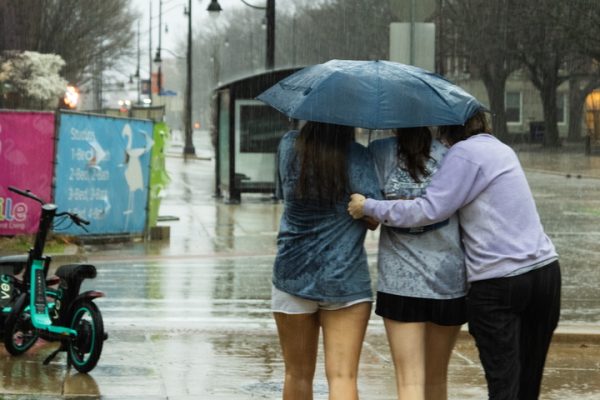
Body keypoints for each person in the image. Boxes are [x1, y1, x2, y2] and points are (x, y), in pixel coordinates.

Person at [347, 111, 561, 400]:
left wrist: (370, 206)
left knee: (504, 383)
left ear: (448, 129)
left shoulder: (461, 153)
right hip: (545, 272)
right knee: (527, 381)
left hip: (498, 282)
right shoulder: (501, 149)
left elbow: (429, 210)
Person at [272, 121, 382, 400]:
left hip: (292, 273)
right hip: (344, 278)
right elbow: (373, 217)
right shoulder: (356, 154)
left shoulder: (288, 145)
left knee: (296, 375)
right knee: (343, 377)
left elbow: (283, 194)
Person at [368, 126, 467, 400]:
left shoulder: (379, 152)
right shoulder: (453, 155)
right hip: (448, 282)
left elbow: (371, 219)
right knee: (437, 381)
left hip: (399, 284)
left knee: (408, 382)